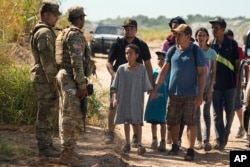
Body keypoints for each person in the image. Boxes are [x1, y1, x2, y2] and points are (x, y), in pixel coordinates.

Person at [150, 24, 205, 161]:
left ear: (188, 36)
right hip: (173, 93)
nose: (176, 37)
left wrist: (199, 95)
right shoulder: (172, 50)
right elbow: (164, 71)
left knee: (190, 122)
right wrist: (155, 87)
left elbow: (201, 74)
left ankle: (190, 150)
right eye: (175, 34)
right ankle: (175, 145)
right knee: (172, 121)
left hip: (190, 94)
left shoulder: (196, 51)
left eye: (179, 34)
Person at [55, 6, 94, 165]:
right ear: (80, 18)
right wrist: (82, 84)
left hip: (64, 76)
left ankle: (68, 151)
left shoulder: (63, 33)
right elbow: (76, 62)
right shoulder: (75, 35)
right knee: (71, 117)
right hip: (71, 79)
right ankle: (67, 154)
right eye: (83, 18)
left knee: (65, 115)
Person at [105, 18, 153, 146]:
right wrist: (115, 76)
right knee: (113, 106)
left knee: (135, 107)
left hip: (136, 81)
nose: (129, 30)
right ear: (123, 30)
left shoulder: (142, 45)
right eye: (126, 28)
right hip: (119, 80)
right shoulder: (117, 44)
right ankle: (110, 133)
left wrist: (150, 84)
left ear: (136, 30)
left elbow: (148, 65)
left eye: (132, 28)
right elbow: (109, 63)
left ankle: (136, 136)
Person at [30, 0, 61, 157]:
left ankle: (47, 143)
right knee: (45, 112)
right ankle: (43, 147)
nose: (57, 19)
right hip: (45, 79)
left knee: (49, 111)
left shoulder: (46, 31)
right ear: (46, 15)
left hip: (45, 78)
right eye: (55, 15)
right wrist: (54, 80)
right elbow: (47, 61)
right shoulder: (44, 33)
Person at [111, 44, 152, 155]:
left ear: (137, 55)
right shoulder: (121, 69)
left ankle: (139, 144)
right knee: (126, 121)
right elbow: (116, 86)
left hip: (137, 99)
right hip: (124, 99)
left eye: (131, 53)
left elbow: (146, 86)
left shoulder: (142, 69)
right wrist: (115, 98)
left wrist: (152, 93)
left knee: (137, 121)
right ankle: (127, 143)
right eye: (126, 53)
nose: (128, 55)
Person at [209, 17, 240, 150]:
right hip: (215, 86)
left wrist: (238, 83)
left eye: (216, 27)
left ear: (223, 29)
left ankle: (226, 133)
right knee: (217, 114)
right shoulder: (211, 44)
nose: (213, 30)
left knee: (230, 112)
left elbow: (237, 64)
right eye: (212, 27)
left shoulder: (232, 44)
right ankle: (219, 139)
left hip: (230, 85)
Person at [162, 16, 187, 146]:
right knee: (170, 111)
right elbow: (163, 63)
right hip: (170, 80)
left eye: (177, 25)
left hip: (184, 83)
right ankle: (168, 134)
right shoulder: (167, 44)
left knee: (182, 113)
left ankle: (178, 138)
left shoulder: (190, 43)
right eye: (172, 25)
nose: (174, 27)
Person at [194, 28, 217, 151]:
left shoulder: (212, 53)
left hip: (208, 88)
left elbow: (213, 73)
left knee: (206, 114)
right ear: (196, 37)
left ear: (207, 37)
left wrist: (209, 90)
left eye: (203, 35)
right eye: (199, 35)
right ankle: (198, 140)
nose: (201, 37)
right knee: (196, 115)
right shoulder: (193, 51)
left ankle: (206, 140)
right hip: (196, 89)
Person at [224, 29, 249, 138]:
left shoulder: (239, 50)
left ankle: (242, 127)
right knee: (224, 106)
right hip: (224, 83)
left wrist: (246, 81)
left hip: (237, 83)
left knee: (238, 106)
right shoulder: (222, 49)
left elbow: (246, 66)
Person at [144, 51, 170, 152]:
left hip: (164, 100)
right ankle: (154, 139)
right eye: (158, 59)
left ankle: (163, 141)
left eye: (162, 59)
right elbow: (149, 83)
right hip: (154, 100)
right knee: (153, 122)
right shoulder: (154, 72)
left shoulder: (168, 74)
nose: (160, 61)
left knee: (163, 122)